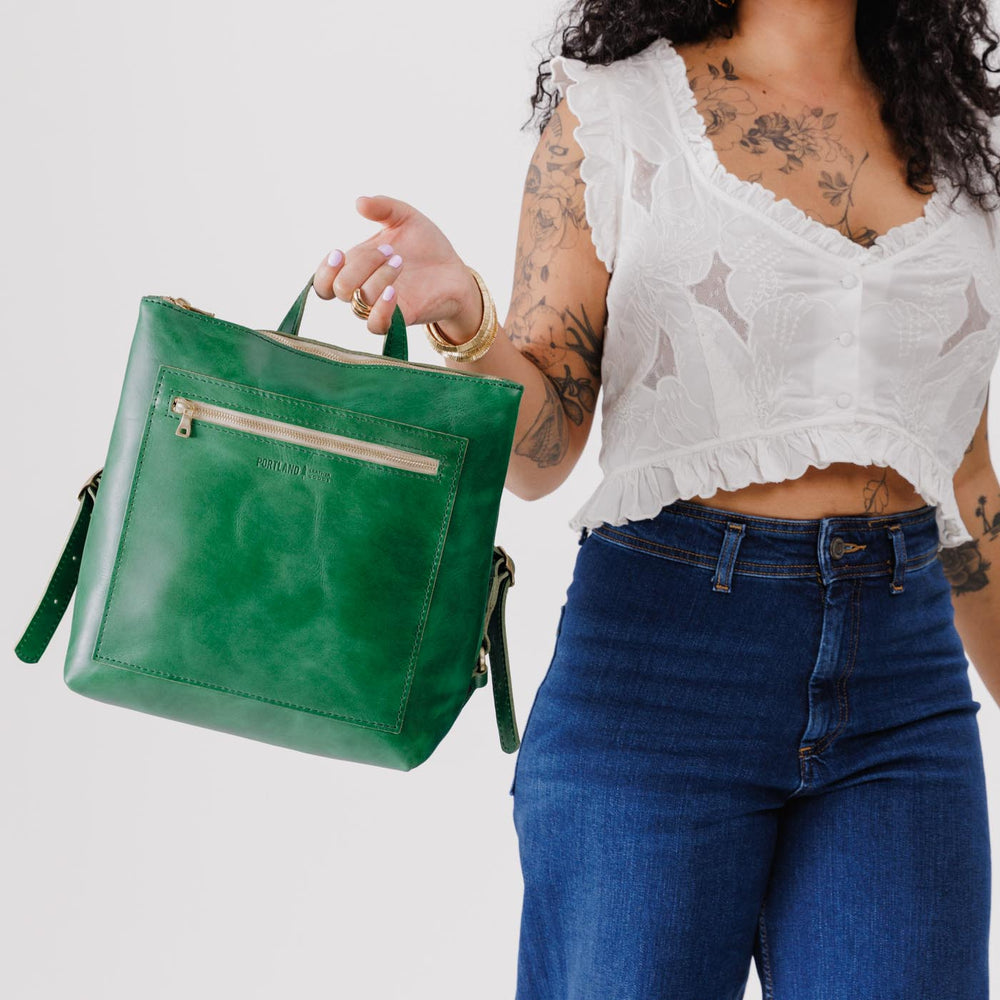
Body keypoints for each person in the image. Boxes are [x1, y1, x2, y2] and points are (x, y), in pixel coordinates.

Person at [312, 0, 1000, 995]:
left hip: (905, 687)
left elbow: (965, 477)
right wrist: (466, 321)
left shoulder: (963, 137)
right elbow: (545, 452)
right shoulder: (617, 112)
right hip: (661, 673)